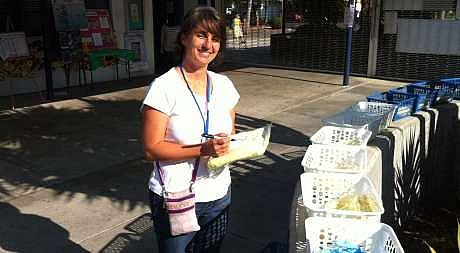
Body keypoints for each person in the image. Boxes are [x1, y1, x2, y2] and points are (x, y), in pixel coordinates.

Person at [141, 6, 240, 253]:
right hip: (177, 196)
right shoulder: (164, 87)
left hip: (218, 194)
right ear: (184, 37)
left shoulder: (224, 85)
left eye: (216, 39)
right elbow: (152, 149)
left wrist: (233, 144)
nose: (209, 45)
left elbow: (232, 133)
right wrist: (203, 149)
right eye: (201, 35)